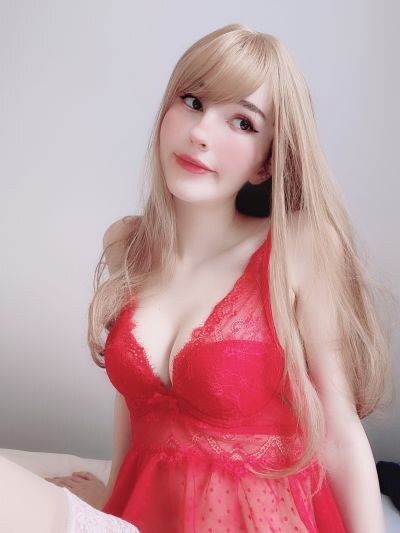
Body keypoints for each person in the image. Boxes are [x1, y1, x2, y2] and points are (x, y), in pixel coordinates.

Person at [2, 22, 395, 533]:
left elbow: (338, 435)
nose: (200, 132)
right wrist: (110, 500)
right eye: (192, 101)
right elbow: (135, 408)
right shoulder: (127, 244)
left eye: (242, 123)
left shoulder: (296, 248)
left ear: (266, 163)